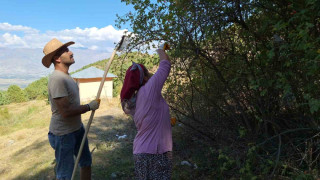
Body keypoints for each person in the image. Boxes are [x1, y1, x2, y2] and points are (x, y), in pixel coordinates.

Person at [42, 38, 100, 180]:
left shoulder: (66, 76)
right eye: (66, 51)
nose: (71, 52)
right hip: (63, 135)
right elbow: (65, 112)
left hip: (76, 129)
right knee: (65, 174)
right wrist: (88, 107)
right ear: (57, 58)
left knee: (86, 163)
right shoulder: (57, 79)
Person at [120, 44, 173, 179]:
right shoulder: (149, 89)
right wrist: (161, 49)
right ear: (144, 78)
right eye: (148, 73)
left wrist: (167, 122)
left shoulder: (133, 100)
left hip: (140, 153)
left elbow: (150, 120)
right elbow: (165, 65)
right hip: (157, 153)